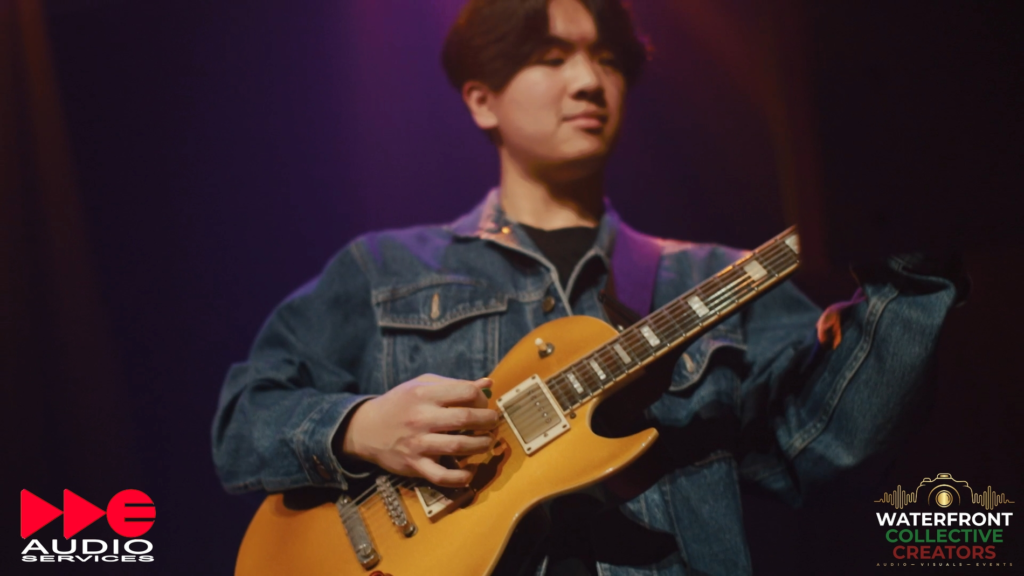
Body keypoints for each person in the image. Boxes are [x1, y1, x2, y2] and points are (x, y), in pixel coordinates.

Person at [212, 0, 964, 574]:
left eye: (608, 59)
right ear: (481, 99)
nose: (589, 81)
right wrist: (361, 426)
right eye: (552, 57)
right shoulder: (382, 268)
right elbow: (243, 420)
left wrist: (910, 261)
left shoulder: (705, 279)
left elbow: (824, 443)